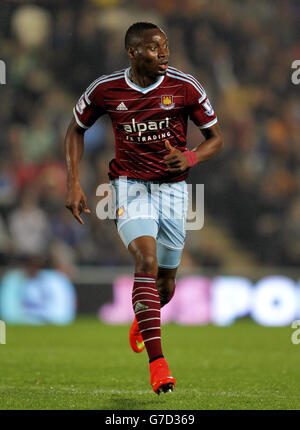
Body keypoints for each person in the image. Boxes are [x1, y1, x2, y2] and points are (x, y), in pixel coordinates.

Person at [64, 22, 223, 394]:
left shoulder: (185, 86)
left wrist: (191, 157)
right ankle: (159, 365)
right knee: (146, 264)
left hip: (173, 191)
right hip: (129, 187)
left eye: (165, 46)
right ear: (133, 53)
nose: (164, 53)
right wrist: (73, 181)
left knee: (164, 286)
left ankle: (143, 317)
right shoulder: (105, 89)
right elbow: (75, 129)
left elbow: (216, 138)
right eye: (154, 48)